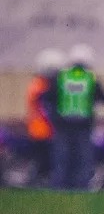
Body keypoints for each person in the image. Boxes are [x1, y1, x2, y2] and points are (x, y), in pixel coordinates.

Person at [47, 44, 104, 190]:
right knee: (83, 158)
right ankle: (81, 187)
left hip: (63, 125)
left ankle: (59, 187)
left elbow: (49, 97)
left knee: (62, 157)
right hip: (83, 125)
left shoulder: (62, 77)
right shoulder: (90, 78)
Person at [25, 48, 64, 185]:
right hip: (42, 131)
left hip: (41, 129)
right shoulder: (41, 86)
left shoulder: (38, 84)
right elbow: (44, 109)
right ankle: (36, 183)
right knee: (43, 161)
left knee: (43, 161)